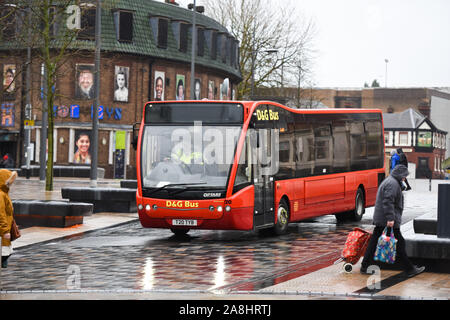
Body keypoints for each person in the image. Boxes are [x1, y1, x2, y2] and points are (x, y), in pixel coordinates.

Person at [360, 164, 425, 278]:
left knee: (375, 241)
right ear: (400, 175)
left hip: (383, 219)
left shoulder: (391, 181)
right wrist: (390, 219)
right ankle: (409, 269)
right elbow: (388, 202)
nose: (405, 179)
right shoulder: (392, 184)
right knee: (399, 243)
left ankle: (364, 266)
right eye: (404, 176)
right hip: (387, 220)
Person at [0, 169, 17, 268]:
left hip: (4, 231)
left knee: (6, 254)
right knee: (4, 255)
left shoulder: (4, 193)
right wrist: (5, 231)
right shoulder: (1, 195)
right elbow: (0, 214)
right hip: (2, 232)